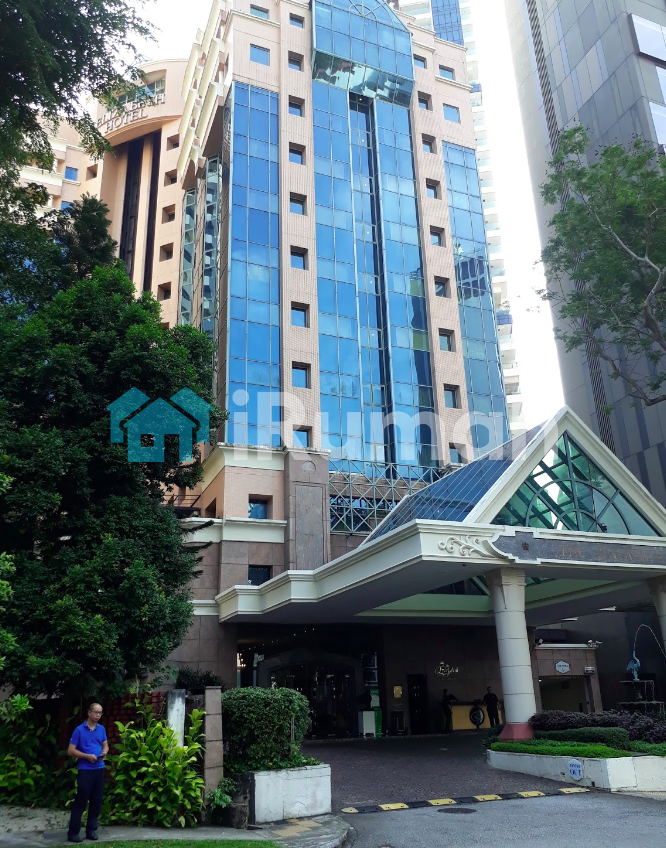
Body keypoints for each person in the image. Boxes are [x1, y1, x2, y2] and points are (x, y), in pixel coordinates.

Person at [67, 703, 108, 843]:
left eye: (100, 713)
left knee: (96, 801)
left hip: (99, 768)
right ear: (89, 712)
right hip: (85, 770)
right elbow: (70, 751)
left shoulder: (101, 729)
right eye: (95, 712)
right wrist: (87, 756)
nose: (98, 715)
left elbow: (105, 745)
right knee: (81, 801)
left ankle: (91, 830)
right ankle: (73, 833)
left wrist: (104, 752)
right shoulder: (79, 730)